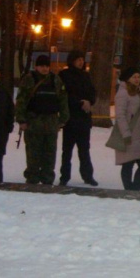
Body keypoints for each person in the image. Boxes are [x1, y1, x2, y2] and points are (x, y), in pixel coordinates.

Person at [15, 55, 70, 185]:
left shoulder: (55, 80)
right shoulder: (29, 80)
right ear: (36, 67)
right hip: (33, 123)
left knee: (50, 154)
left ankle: (47, 179)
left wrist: (63, 119)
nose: (45, 69)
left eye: (46, 66)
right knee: (33, 154)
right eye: (42, 66)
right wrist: (22, 120)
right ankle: (32, 178)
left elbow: (63, 99)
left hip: (51, 123)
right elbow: (21, 100)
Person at [58, 50, 97, 186]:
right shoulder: (64, 75)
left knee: (84, 150)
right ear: (72, 60)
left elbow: (92, 92)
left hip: (84, 119)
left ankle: (88, 176)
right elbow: (63, 96)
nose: (81, 62)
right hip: (70, 118)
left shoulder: (86, 76)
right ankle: (64, 176)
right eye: (78, 59)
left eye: (82, 59)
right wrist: (79, 102)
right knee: (67, 151)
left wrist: (89, 101)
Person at [114, 67, 140, 191]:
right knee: (128, 164)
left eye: (138, 77)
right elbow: (120, 115)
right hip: (130, 135)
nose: (137, 79)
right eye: (134, 77)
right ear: (127, 79)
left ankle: (135, 188)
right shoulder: (123, 93)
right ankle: (129, 188)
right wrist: (125, 133)